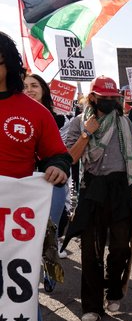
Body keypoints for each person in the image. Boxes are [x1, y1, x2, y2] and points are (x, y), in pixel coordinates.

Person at [0, 31, 71, 321]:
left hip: (16, 229)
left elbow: (57, 154)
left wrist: (57, 167)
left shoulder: (34, 112)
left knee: (19, 305)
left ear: (8, 64)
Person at [64, 75, 132, 321]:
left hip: (122, 186)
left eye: (114, 98)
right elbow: (70, 158)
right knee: (91, 250)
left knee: (122, 246)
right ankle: (91, 305)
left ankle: (113, 290)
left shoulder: (123, 122)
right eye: (105, 98)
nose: (111, 101)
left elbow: (131, 156)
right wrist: (86, 134)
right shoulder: (79, 122)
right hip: (94, 188)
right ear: (93, 98)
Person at [24, 73, 71, 259]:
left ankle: (50, 253)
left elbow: (62, 152)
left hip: (50, 180)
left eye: (34, 85)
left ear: (44, 90)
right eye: (24, 86)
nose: (29, 90)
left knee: (50, 226)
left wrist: (58, 165)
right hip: (20, 182)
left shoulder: (60, 121)